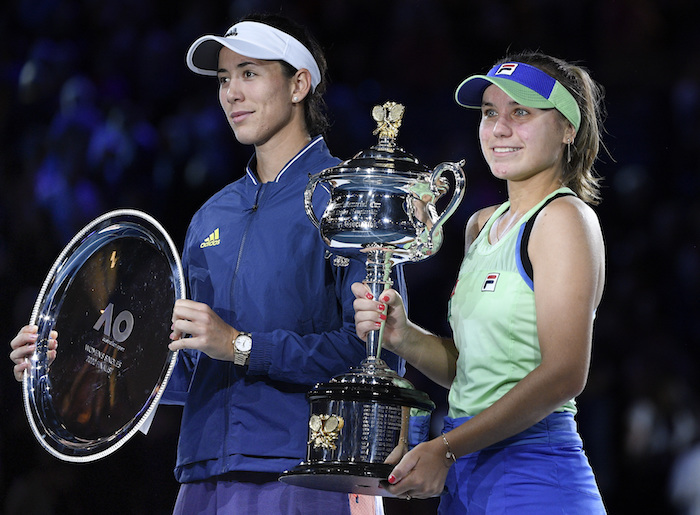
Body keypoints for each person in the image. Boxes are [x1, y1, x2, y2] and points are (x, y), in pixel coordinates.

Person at [10, 13, 405, 515]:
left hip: (310, 471)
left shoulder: (352, 199)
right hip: (204, 475)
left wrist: (240, 345)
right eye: (223, 79)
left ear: (299, 84)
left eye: (249, 73)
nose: (231, 94)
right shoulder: (211, 216)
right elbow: (185, 364)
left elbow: (374, 356)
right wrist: (73, 361)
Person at [352, 51, 607, 514]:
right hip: (466, 476)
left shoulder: (564, 218)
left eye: (521, 113)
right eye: (490, 112)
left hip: (535, 476)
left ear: (568, 129)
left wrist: (447, 447)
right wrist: (404, 336)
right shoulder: (481, 225)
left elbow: (565, 374)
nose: (499, 128)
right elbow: (473, 374)